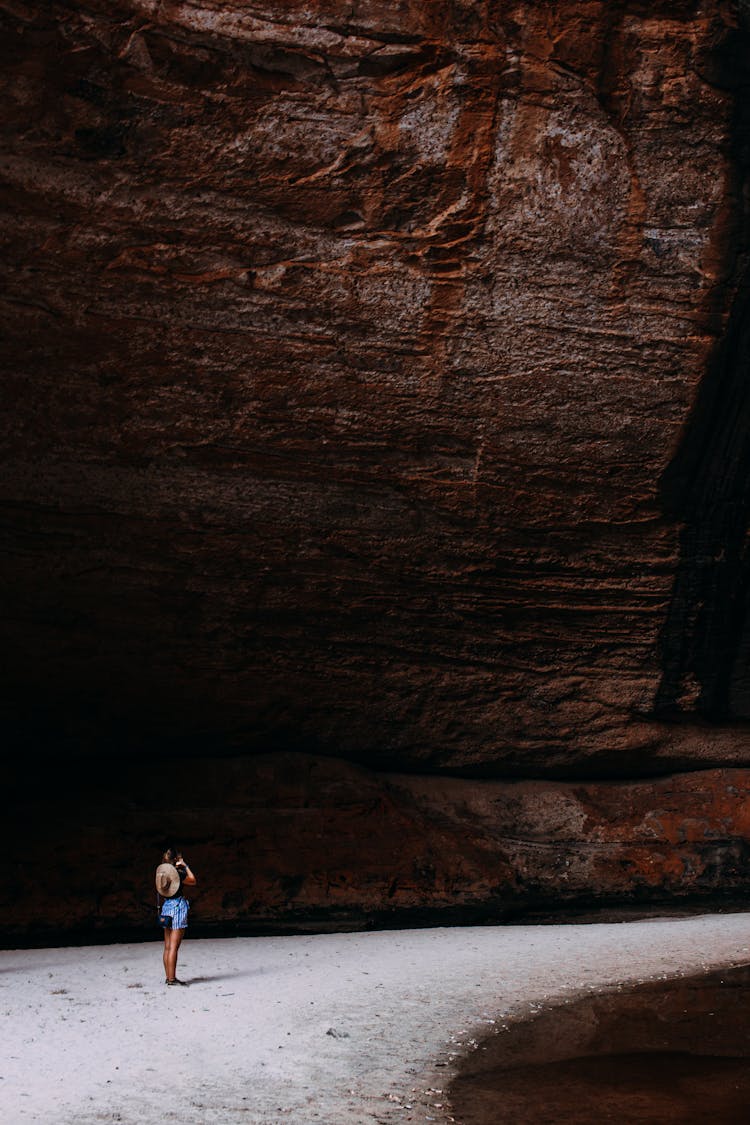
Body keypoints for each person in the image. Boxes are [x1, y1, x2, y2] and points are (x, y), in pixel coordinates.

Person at [155, 847, 197, 986]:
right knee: (174, 947)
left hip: (167, 906)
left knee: (167, 946)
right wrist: (185, 865)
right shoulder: (178, 874)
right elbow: (193, 880)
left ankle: (168, 977)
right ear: (176, 859)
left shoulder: (162, 873)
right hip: (178, 907)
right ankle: (172, 979)